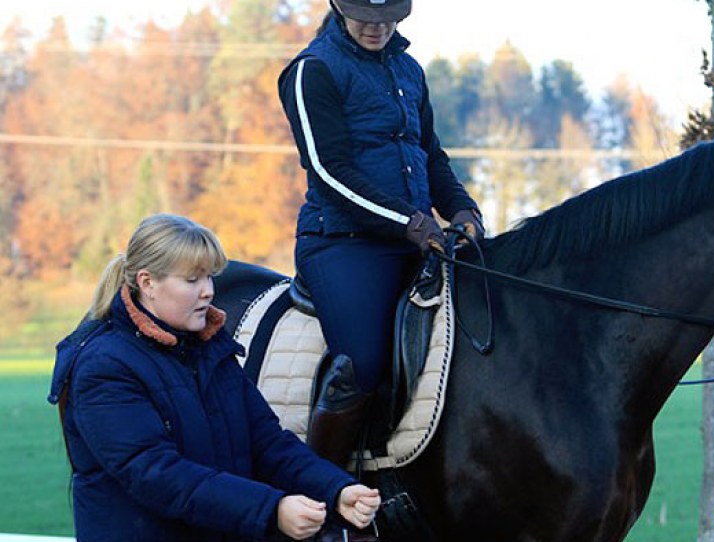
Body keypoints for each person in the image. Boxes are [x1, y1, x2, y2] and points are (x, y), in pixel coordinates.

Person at [48, 214, 381, 542]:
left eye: (209, 277)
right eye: (192, 280)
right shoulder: (103, 366)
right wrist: (272, 509)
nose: (208, 291)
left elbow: (268, 443)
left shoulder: (210, 349)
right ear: (148, 283)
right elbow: (157, 475)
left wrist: (336, 489)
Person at [277, 0, 484, 470]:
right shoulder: (312, 71)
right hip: (342, 243)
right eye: (366, 18)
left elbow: (430, 155)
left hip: (415, 238)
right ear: (338, 8)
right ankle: (322, 493)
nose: (378, 28)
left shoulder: (408, 69)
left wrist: (461, 209)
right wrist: (410, 222)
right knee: (363, 362)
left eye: (389, 18)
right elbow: (331, 172)